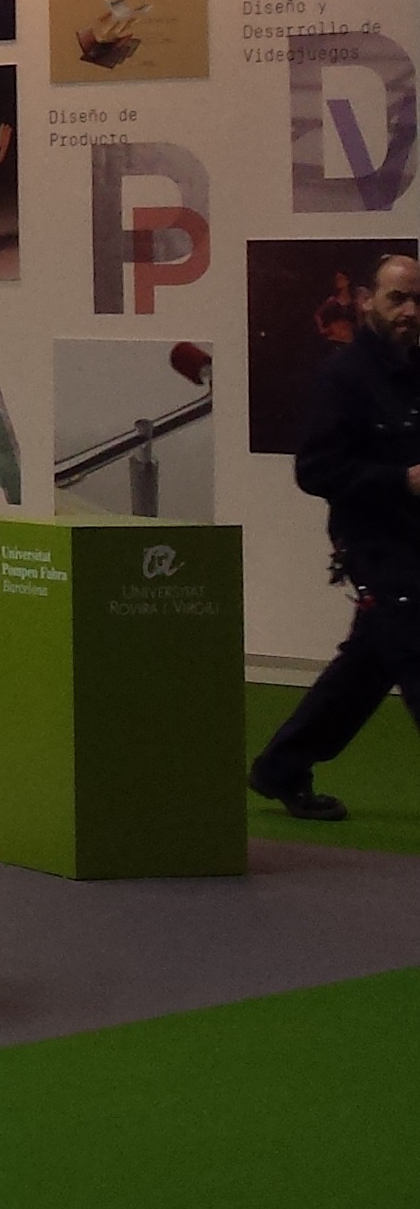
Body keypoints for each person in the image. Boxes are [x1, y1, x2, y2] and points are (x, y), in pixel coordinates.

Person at [252, 254, 420, 819]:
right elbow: (315, 470)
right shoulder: (342, 377)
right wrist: (401, 480)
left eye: (418, 300)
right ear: (368, 300)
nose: (409, 311)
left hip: (414, 541)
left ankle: (281, 767)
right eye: (397, 298)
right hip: (377, 546)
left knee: (368, 666)